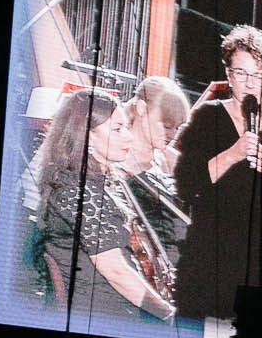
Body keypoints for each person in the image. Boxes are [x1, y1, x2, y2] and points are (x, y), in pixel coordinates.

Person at [173, 25, 262, 323]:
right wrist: (234, 154)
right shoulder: (207, 117)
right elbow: (186, 187)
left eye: (257, 76)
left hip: (256, 267)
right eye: (241, 73)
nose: (249, 83)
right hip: (208, 260)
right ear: (228, 75)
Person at [36, 89, 178, 323]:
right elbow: (116, 272)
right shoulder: (79, 190)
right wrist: (167, 313)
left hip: (112, 304)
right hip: (103, 313)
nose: (129, 137)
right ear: (87, 136)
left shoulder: (95, 179)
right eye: (117, 129)